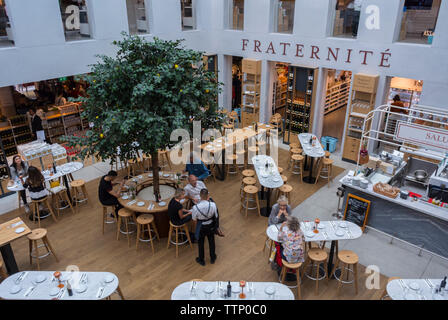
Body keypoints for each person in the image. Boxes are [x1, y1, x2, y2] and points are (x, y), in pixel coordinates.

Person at [191, 188, 218, 266]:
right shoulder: (213, 205)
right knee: (211, 242)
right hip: (210, 226)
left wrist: (197, 229)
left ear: (200, 196)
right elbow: (215, 216)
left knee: (201, 243)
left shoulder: (195, 208)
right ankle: (212, 258)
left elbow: (194, 220)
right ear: (208, 196)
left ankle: (201, 260)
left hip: (201, 227)